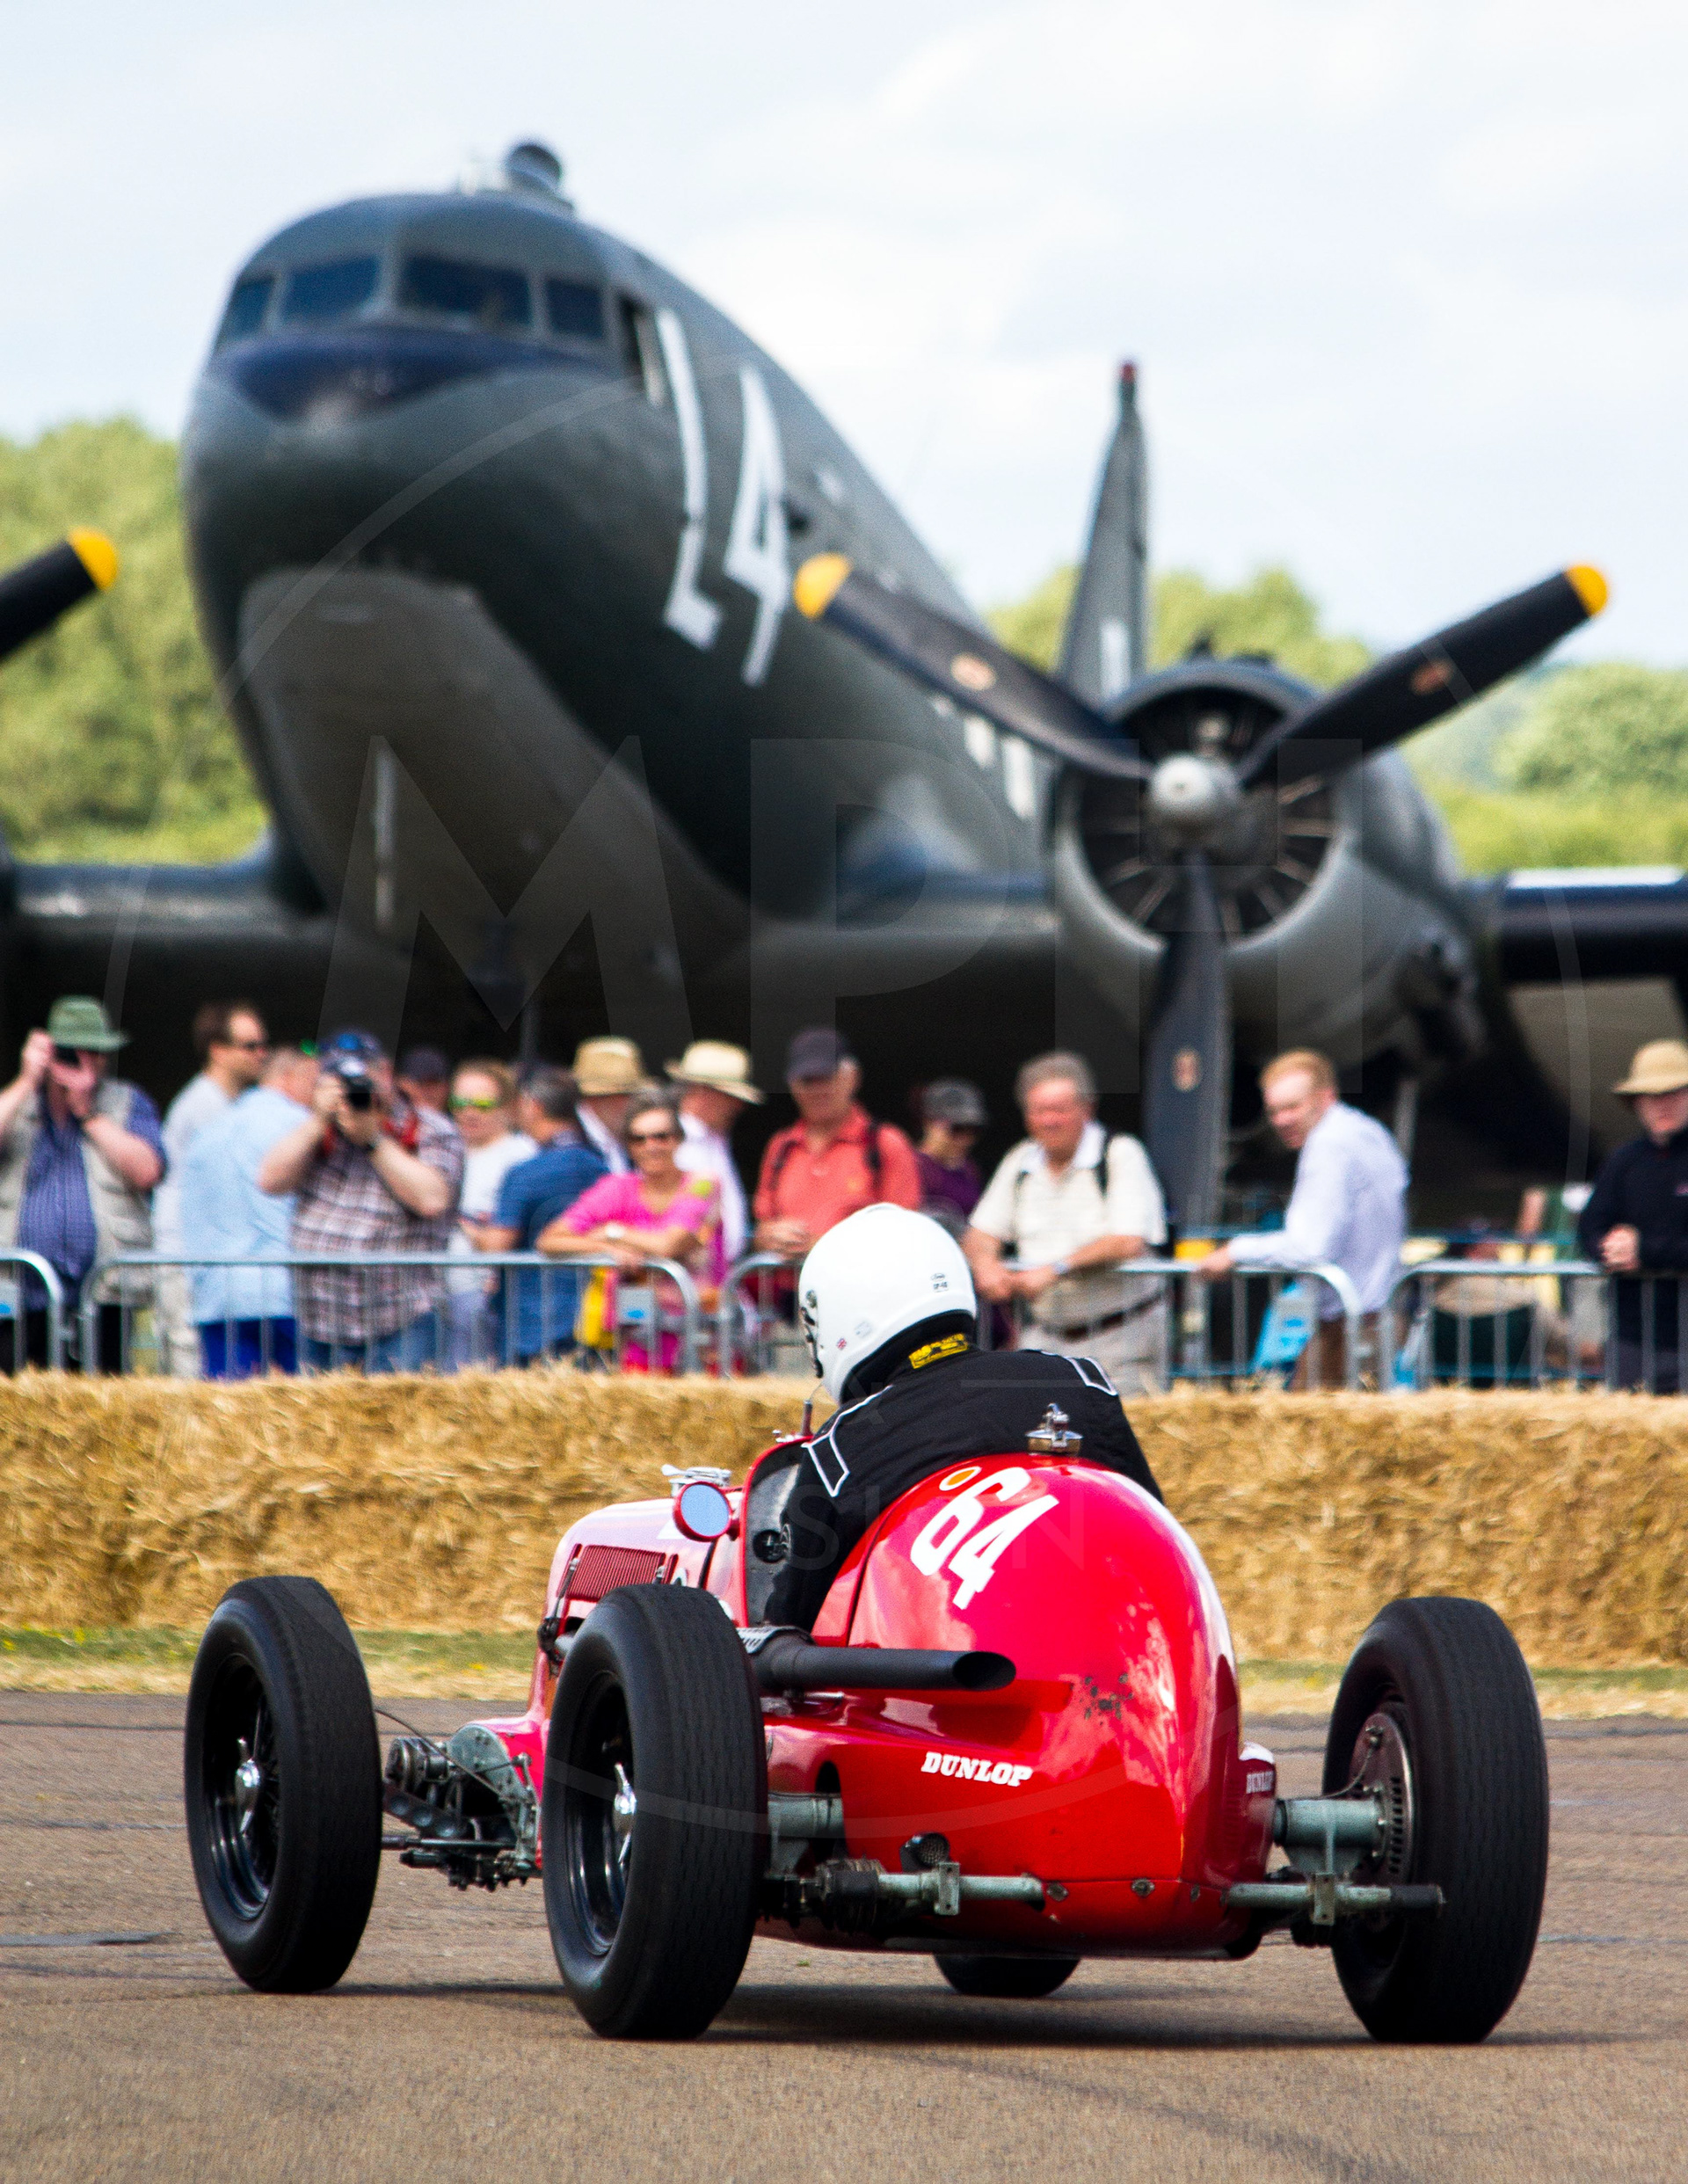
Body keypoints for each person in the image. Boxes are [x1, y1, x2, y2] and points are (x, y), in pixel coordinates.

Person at [758, 1204, 1163, 1631]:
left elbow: (787, 1627)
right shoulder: (1078, 1381)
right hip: (1109, 1643)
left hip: (944, 1675)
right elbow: (1155, 1534)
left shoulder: (844, 1446)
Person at [258, 1029, 463, 1372]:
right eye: (336, 1078)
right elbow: (269, 1180)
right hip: (320, 1322)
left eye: (357, 1077)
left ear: (384, 1073)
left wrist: (372, 1139)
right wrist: (317, 1121)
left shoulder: (430, 1128)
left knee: (398, 1423)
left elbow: (432, 1199)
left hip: (399, 1321)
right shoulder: (317, 1129)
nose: (350, 1089)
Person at [1199, 1049, 1407, 1388]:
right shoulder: (1367, 1131)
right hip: (1376, 1320)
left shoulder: (1328, 1146)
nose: (1281, 1121)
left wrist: (1234, 1252)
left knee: (1306, 1432)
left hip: (1350, 1327)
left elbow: (1310, 1247)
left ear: (1326, 1097)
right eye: (1274, 1111)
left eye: (1292, 1107)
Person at [964, 1052, 1168, 1394]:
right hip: (1045, 1341)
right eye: (1038, 1111)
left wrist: (1055, 1269)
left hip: (1122, 1341)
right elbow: (980, 1233)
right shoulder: (1019, 1160)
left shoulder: (1120, 1153)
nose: (1048, 1121)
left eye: (1059, 1110)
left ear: (1087, 1109)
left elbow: (1127, 1241)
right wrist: (985, 1266)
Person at [0, 997, 165, 1372]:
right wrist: (27, 1081)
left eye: (95, 1052)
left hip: (103, 1294)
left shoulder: (127, 1103)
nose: (84, 1062)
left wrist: (87, 1112)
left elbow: (147, 1172)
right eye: (71, 1052)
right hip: (18, 1297)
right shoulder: (17, 1103)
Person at [541, 1089, 722, 1372]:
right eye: (639, 1139)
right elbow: (550, 1239)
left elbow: (669, 1245)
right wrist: (609, 1249)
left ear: (678, 1139)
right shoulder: (617, 1187)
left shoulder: (703, 1183)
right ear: (628, 1146)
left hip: (700, 1332)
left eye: (661, 1136)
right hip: (638, 1326)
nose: (651, 1146)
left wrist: (613, 1231)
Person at [178, 1045, 319, 1378]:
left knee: (228, 1415)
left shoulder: (209, 1131)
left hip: (219, 1294)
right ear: (288, 1078)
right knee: (300, 1415)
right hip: (284, 1292)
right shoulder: (301, 1125)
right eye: (314, 1083)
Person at [156, 1000, 271, 1376]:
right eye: (250, 1046)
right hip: (187, 1262)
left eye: (263, 1045)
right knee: (194, 1377)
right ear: (218, 1051)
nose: (262, 1054)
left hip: (210, 1265)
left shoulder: (235, 1104)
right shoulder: (200, 1107)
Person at [474, 1066, 606, 1365]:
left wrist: (473, 1233)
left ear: (533, 1107)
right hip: (588, 1315)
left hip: (529, 1321)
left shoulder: (525, 1173)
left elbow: (496, 1246)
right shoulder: (600, 1165)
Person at [753, 1028, 921, 1261]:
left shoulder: (885, 1143)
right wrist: (769, 1237)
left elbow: (905, 1233)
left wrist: (825, 1246)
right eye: (807, 1080)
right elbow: (762, 1226)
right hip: (788, 1290)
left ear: (853, 1077)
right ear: (792, 1086)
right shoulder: (782, 1145)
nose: (818, 1089)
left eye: (826, 1077)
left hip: (859, 1291)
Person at [1577, 1039, 1688, 1393]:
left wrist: (1645, 1251)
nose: (1661, 1105)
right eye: (1650, 1096)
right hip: (1632, 1336)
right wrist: (1607, 1248)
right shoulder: (1623, 1162)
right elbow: (1590, 1226)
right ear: (1636, 1103)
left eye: (1672, 1093)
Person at [444, 1059, 535, 1367]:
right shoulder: (441, 1147)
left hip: (488, 1296)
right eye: (460, 1102)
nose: (469, 1112)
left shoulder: (521, 1155)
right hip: (435, 1294)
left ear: (507, 1107)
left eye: (482, 1104)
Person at [669, 1038, 761, 1263]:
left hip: (719, 1277)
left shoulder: (716, 1140)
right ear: (701, 1091)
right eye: (730, 1096)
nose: (738, 1106)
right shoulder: (673, 1141)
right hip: (687, 1278)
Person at [913, 1078, 988, 1238]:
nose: (965, 1139)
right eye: (957, 1129)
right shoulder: (912, 1166)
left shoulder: (969, 1169)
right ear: (929, 1123)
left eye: (973, 1130)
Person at [571, 1037, 643, 1174]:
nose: (634, 1104)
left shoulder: (620, 1139)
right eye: (627, 1094)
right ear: (598, 1098)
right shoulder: (570, 1141)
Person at [396, 1045, 452, 1115]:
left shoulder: (459, 1123)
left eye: (434, 1083)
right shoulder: (392, 1120)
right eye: (421, 1083)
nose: (428, 1091)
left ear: (447, 1086)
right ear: (404, 1085)